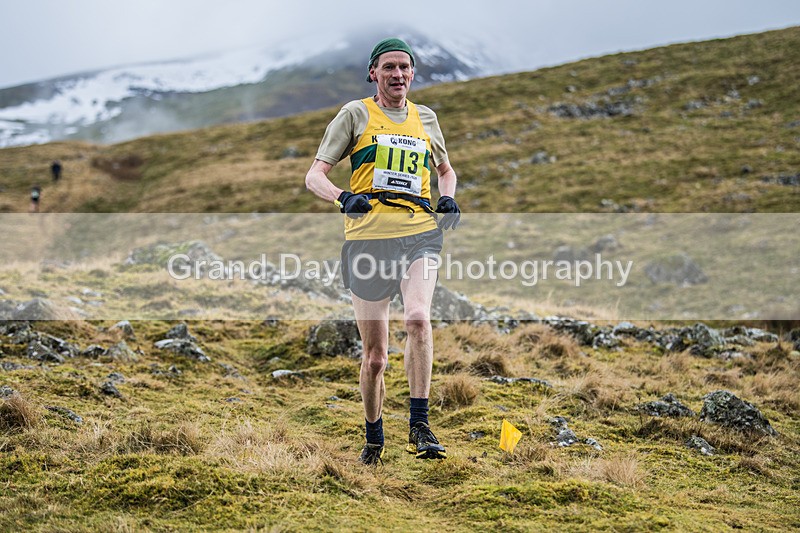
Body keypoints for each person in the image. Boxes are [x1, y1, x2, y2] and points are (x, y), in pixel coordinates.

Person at [305, 37, 461, 466]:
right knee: (375, 358)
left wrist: (447, 198)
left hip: (420, 234)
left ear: (412, 74)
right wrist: (341, 197)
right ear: (373, 72)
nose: (398, 75)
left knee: (418, 318)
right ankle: (374, 437)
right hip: (368, 240)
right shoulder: (355, 114)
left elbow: (445, 171)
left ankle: (420, 425)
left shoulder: (425, 118)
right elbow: (314, 175)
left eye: (404, 68)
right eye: (389, 67)